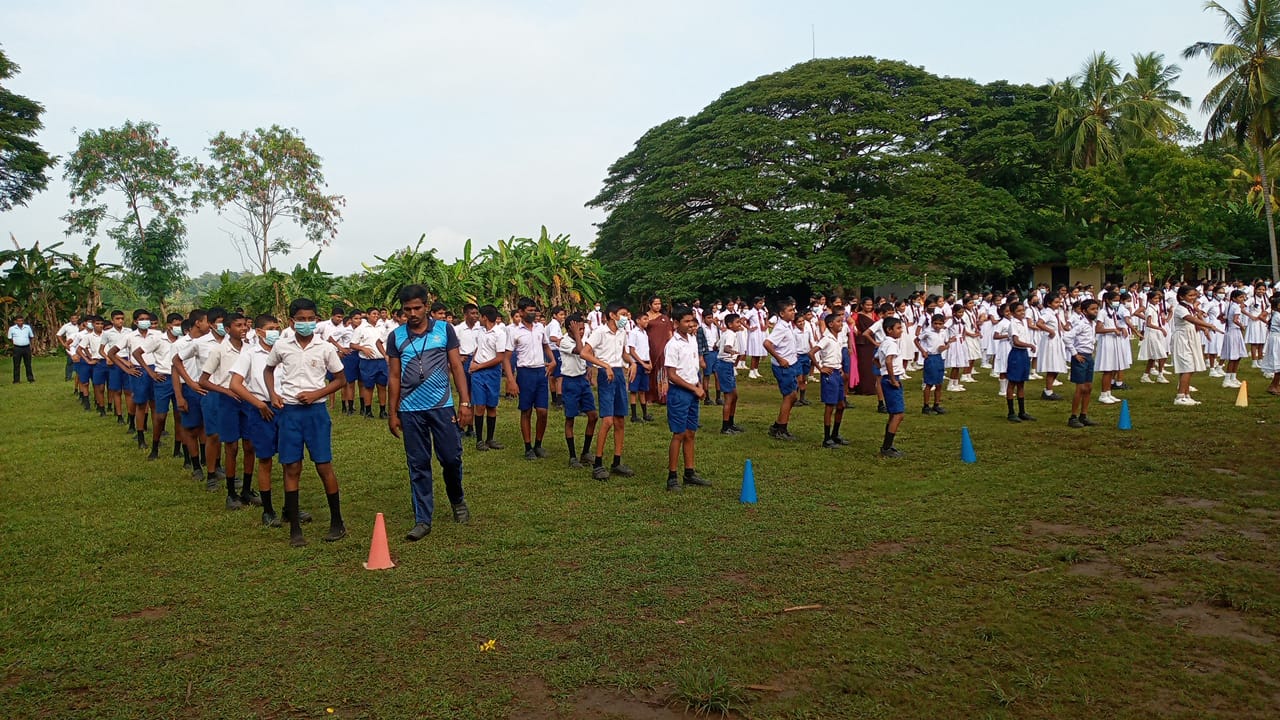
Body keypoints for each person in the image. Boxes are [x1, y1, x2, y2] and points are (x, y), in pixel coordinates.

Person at [386, 285, 472, 542]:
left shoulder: (444, 330)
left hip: (441, 406)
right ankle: (423, 519)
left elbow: (456, 366)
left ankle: (457, 499)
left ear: (427, 306)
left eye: (417, 308)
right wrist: (392, 412)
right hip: (410, 410)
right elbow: (394, 376)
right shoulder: (396, 336)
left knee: (451, 459)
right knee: (418, 464)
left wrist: (465, 403)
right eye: (407, 309)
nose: (412, 314)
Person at [264, 298, 349, 547]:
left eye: (311, 319)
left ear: (317, 320)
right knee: (292, 467)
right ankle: (295, 528)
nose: (306, 323)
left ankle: (337, 522)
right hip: (290, 412)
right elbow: (268, 370)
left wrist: (316, 393)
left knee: (323, 465)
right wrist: (272, 394)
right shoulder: (281, 345)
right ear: (292, 322)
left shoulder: (325, 347)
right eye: (301, 319)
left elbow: (340, 379)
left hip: (316, 413)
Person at [230, 314, 287, 524]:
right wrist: (259, 404)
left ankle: (290, 507)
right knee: (265, 459)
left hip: (286, 408)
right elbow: (235, 384)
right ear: (260, 332)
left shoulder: (285, 350)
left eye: (277, 328)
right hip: (263, 410)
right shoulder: (250, 354)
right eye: (271, 329)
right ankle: (268, 510)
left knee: (291, 460)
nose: (275, 332)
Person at [200, 312, 255, 508]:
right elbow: (203, 380)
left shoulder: (251, 348)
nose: (243, 328)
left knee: (250, 445)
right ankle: (231, 492)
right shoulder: (219, 350)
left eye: (245, 325)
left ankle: (247, 489)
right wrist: (226, 390)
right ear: (228, 329)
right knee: (231, 446)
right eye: (238, 325)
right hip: (228, 400)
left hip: (249, 399)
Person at [581, 301, 636, 480]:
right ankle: (598, 463)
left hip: (618, 373)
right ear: (612, 315)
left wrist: (633, 363)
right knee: (607, 421)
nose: (625, 318)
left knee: (620, 420)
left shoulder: (622, 332)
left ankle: (616, 462)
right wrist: (604, 365)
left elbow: (623, 353)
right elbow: (585, 352)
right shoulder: (599, 332)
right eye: (623, 314)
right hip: (606, 375)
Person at [663, 307, 709, 491]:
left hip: (692, 390)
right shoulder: (673, 345)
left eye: (692, 320)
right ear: (676, 323)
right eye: (686, 321)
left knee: (690, 432)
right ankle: (672, 476)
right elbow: (672, 375)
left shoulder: (692, 339)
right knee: (679, 434)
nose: (690, 324)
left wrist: (698, 385)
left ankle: (689, 472)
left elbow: (692, 367)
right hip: (679, 392)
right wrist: (693, 388)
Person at [509, 297, 556, 460]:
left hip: (540, 372)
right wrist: (511, 380)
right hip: (525, 372)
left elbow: (545, 345)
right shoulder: (514, 332)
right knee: (526, 410)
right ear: (521, 312)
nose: (532, 313)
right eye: (529, 310)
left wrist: (553, 361)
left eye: (534, 310)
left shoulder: (540, 328)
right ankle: (528, 446)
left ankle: (538, 444)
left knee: (542, 411)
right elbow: (506, 357)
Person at [468, 305, 512, 452]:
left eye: (480, 316)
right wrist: (474, 361)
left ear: (485, 317)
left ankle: (490, 438)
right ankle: (479, 440)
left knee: (491, 406)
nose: (478, 319)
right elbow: (478, 347)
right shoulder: (480, 331)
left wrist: (479, 366)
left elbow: (500, 358)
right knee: (480, 405)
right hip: (478, 372)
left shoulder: (500, 333)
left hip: (492, 372)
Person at [559, 312, 598, 469]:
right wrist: (576, 335)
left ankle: (586, 452)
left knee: (593, 416)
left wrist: (589, 367)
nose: (581, 332)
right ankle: (573, 456)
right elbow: (581, 352)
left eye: (582, 329)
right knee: (570, 419)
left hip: (582, 380)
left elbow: (588, 354)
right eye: (578, 329)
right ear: (570, 329)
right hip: (570, 382)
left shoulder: (581, 339)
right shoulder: (565, 342)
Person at [1171, 285, 1219, 406]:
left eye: (1194, 295)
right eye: (1190, 295)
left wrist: (1204, 329)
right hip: (1182, 339)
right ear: (1181, 296)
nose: (1193, 298)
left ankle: (1186, 395)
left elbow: (1195, 323)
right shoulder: (1180, 308)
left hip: (1190, 337)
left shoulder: (1190, 307)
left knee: (1190, 367)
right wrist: (1208, 325)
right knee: (1187, 367)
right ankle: (1180, 397)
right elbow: (1191, 320)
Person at [763, 299, 800, 441]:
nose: (793, 313)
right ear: (782, 313)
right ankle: (781, 429)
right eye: (790, 310)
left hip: (792, 363)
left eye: (793, 310)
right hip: (784, 366)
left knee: (793, 396)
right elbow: (767, 343)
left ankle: (777, 425)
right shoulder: (780, 328)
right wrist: (779, 359)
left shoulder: (788, 325)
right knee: (789, 396)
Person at [815, 312, 849, 447]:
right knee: (830, 406)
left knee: (841, 405)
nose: (841, 324)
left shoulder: (838, 337)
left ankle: (835, 434)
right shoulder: (826, 339)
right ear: (830, 324)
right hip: (829, 373)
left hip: (837, 371)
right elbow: (812, 352)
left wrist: (840, 367)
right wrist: (820, 367)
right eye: (838, 322)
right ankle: (827, 437)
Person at [1063, 299, 1099, 428]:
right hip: (1080, 357)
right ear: (1084, 311)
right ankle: (1073, 416)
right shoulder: (1081, 324)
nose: (1095, 311)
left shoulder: (1092, 324)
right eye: (1092, 309)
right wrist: (1074, 354)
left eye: (1096, 309)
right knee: (1080, 388)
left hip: (1088, 357)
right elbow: (1067, 337)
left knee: (1088, 387)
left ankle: (1083, 415)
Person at [876, 317, 906, 458]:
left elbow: (875, 359)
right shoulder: (891, 344)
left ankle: (888, 445)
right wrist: (893, 379)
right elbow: (888, 361)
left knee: (893, 413)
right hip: (891, 379)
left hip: (887, 377)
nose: (901, 331)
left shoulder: (884, 343)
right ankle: (887, 447)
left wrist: (881, 369)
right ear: (889, 330)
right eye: (898, 328)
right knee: (898, 414)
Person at [351, 308, 389, 419]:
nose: (376, 316)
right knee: (368, 386)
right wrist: (362, 348)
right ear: (367, 315)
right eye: (373, 314)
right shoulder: (361, 328)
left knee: (382, 385)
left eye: (377, 314)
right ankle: (368, 410)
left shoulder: (383, 327)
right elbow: (352, 344)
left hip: (381, 360)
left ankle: (383, 410)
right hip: (368, 362)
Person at [1004, 302, 1037, 422]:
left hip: (1024, 354)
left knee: (1021, 383)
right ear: (1013, 313)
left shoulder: (1024, 322)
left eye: (1023, 310)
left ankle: (1022, 411)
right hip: (1016, 353)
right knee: (1012, 382)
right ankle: (1011, 412)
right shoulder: (1013, 324)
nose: (1022, 312)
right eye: (1019, 311)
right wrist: (1029, 345)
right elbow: (1016, 341)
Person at [1034, 295, 1068, 400]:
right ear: (1049, 303)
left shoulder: (1054, 313)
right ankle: (1048, 391)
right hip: (1051, 341)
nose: (1058, 304)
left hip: (1057, 341)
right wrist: (1050, 331)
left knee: (1057, 366)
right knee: (1052, 366)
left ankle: (1048, 390)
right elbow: (1039, 323)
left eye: (1059, 302)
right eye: (1056, 302)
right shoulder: (1047, 313)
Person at [916, 313, 950, 416]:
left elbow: (945, 343)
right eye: (935, 323)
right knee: (929, 383)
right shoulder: (928, 332)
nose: (937, 326)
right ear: (932, 323)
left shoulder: (944, 332)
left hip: (939, 357)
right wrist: (923, 351)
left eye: (940, 324)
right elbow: (916, 340)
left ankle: (936, 404)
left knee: (939, 383)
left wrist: (946, 346)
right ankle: (926, 405)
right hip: (930, 357)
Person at [715, 313, 744, 434]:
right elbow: (726, 347)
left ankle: (731, 423)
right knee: (729, 397)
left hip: (726, 365)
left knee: (734, 396)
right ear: (730, 324)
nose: (739, 324)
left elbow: (716, 345)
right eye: (737, 322)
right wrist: (731, 351)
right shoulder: (731, 334)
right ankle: (725, 426)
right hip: (725, 365)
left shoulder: (725, 333)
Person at [642, 296, 673, 402]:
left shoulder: (664, 318)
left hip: (663, 348)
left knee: (662, 370)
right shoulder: (645, 317)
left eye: (659, 303)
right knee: (650, 371)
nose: (658, 306)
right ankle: (649, 396)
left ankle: (662, 395)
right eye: (655, 304)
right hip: (649, 347)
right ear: (650, 305)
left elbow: (669, 333)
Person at [627, 313, 653, 423]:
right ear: (638, 320)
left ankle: (645, 413)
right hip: (637, 363)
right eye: (645, 319)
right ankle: (634, 415)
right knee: (634, 390)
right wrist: (642, 363)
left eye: (647, 319)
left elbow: (646, 349)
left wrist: (649, 362)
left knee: (643, 390)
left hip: (645, 362)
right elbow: (632, 351)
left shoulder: (645, 333)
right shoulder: (634, 333)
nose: (647, 321)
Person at [1220, 289, 1248, 389]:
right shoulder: (1236, 307)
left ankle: (1233, 377)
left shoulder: (1230, 305)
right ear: (1234, 298)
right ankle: (1227, 380)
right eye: (1240, 297)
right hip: (1234, 332)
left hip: (1231, 331)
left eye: (1243, 297)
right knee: (1233, 356)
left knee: (1237, 356)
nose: (1242, 299)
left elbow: (1224, 317)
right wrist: (1241, 326)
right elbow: (1235, 320)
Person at [697, 310, 721, 406]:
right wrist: (701, 357)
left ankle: (718, 397)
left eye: (711, 318)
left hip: (716, 352)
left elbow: (718, 338)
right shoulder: (701, 329)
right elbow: (699, 344)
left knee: (718, 375)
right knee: (706, 375)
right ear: (703, 318)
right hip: (707, 353)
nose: (710, 320)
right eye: (708, 318)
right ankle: (707, 397)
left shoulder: (715, 327)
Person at [1260, 294, 1280, 395]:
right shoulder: (1277, 316)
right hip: (1277, 340)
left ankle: (1275, 385)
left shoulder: (1276, 314)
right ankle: (1274, 386)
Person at [7, 315, 35, 383]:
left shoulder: (27, 327)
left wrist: (31, 345)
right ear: (16, 321)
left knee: (28, 364)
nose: (20, 322)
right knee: (16, 364)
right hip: (17, 348)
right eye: (19, 321)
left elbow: (31, 336)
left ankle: (30, 379)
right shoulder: (12, 328)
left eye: (22, 321)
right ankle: (16, 380)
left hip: (26, 347)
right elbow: (10, 338)